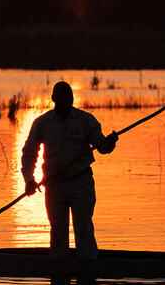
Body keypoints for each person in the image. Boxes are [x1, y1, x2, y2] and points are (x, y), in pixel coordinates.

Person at [22, 81, 118, 258]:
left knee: (84, 230)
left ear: (72, 99)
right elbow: (29, 154)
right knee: (58, 234)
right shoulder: (42, 123)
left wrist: (109, 143)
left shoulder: (86, 121)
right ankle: (59, 271)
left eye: (69, 98)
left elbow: (102, 146)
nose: (66, 102)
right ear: (53, 99)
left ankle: (88, 268)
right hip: (54, 185)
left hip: (81, 183)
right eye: (62, 98)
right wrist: (29, 179)